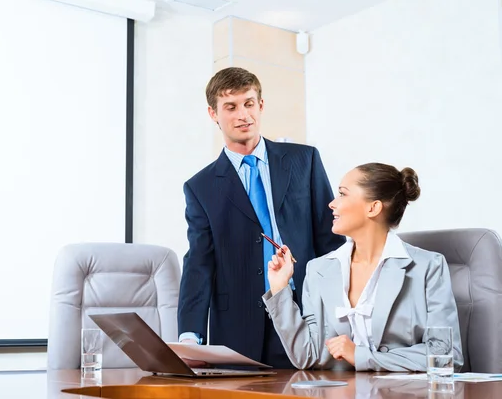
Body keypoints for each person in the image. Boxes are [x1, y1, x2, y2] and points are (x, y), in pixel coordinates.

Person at [177, 66, 345, 368]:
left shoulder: (304, 160)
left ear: (261, 106)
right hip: (238, 325)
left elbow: (330, 241)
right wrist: (191, 335)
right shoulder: (200, 187)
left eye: (249, 103)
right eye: (231, 107)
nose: (243, 115)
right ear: (213, 114)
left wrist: (343, 311)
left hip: (306, 312)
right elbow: (199, 262)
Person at [264, 163, 463, 371]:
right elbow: (308, 356)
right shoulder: (319, 270)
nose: (332, 203)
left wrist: (361, 356)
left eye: (342, 194)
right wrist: (279, 287)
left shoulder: (428, 267)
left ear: (373, 207)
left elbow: (446, 355)